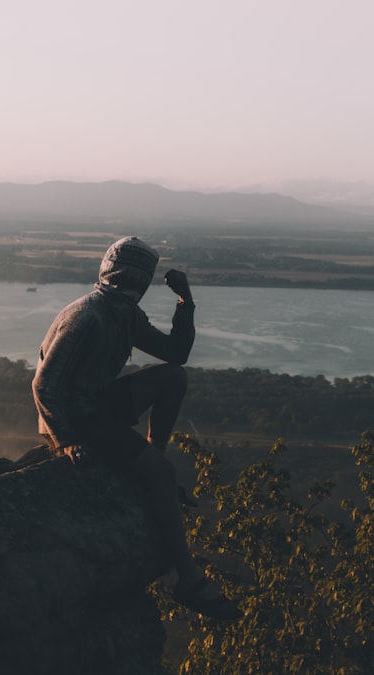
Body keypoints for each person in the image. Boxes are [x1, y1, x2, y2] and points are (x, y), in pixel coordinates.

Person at [32, 236, 241, 620]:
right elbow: (45, 386)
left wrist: (185, 301)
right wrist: (66, 441)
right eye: (128, 273)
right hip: (77, 419)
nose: (133, 282)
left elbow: (175, 355)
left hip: (98, 404)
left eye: (140, 276)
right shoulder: (86, 316)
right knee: (162, 475)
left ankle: (150, 461)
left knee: (174, 378)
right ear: (110, 271)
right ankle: (190, 579)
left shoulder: (124, 314)